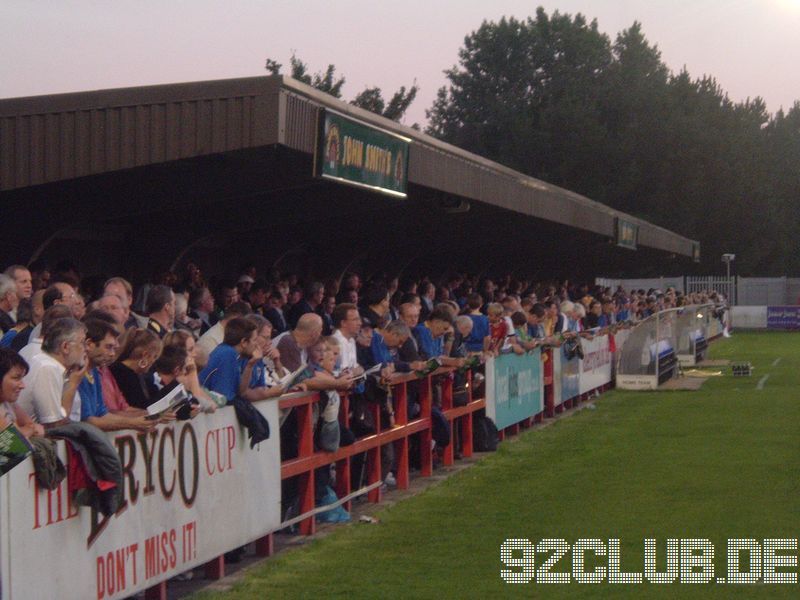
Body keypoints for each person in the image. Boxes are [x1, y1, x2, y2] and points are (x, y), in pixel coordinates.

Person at [78, 318, 155, 431]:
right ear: (89, 344)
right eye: (108, 347)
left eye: (114, 348)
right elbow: (88, 421)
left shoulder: (94, 371)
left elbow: (103, 414)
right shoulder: (77, 374)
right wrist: (132, 424)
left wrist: (149, 417)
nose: (112, 354)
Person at [18, 317, 87, 427]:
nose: (86, 348)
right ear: (65, 347)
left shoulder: (51, 365)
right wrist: (73, 384)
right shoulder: (47, 367)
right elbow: (56, 425)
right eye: (82, 342)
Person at [108, 329, 163, 410]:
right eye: (154, 357)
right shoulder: (119, 373)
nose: (153, 362)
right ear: (145, 355)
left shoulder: (139, 375)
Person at [0, 348, 45, 438]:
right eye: (16, 378)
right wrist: (28, 430)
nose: (22, 386)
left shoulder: (8, 402)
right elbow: (15, 440)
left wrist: (26, 430)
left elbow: (34, 427)